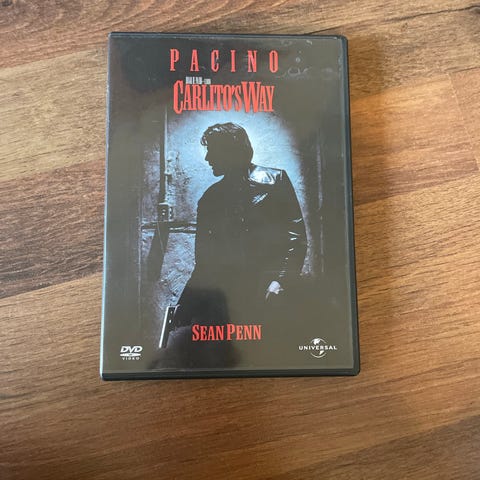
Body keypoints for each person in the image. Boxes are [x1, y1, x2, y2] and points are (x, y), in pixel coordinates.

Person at [173, 122, 307, 331]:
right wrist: (184, 306)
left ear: (230, 151)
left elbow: (296, 238)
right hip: (228, 300)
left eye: (212, 151)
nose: (207, 158)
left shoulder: (275, 180)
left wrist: (280, 281)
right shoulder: (210, 199)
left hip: (270, 293)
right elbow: (204, 263)